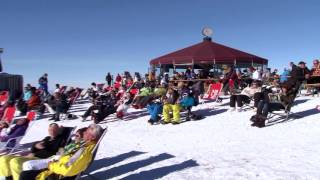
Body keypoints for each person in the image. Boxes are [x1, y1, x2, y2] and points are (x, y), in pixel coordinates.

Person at [19, 124, 104, 180]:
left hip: (57, 170)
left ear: (92, 137)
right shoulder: (82, 143)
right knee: (26, 170)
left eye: (86, 132)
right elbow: (64, 152)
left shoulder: (84, 151)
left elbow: (68, 169)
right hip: (56, 162)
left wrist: (51, 165)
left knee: (25, 174)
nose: (84, 133)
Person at [0, 123, 66, 180]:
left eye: (54, 129)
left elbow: (58, 152)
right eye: (50, 130)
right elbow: (34, 148)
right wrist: (35, 145)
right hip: (32, 156)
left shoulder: (61, 139)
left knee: (15, 162)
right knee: (4, 159)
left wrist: (35, 153)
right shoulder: (47, 138)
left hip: (41, 159)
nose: (52, 131)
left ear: (58, 130)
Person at [21, 127, 88, 172]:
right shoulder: (73, 143)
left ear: (83, 137)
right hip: (52, 158)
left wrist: (60, 154)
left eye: (77, 136)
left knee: (27, 165)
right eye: (75, 135)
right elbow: (62, 151)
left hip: (55, 161)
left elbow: (67, 157)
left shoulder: (80, 146)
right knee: (25, 164)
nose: (74, 137)